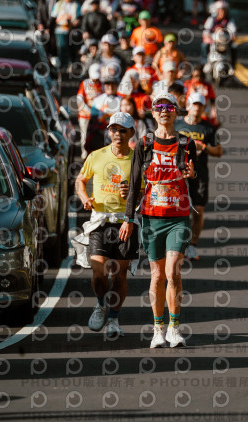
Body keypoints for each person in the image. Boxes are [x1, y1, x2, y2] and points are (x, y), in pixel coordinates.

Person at [120, 92, 198, 348]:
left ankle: (174, 328)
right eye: (159, 107)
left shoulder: (186, 143)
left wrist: (193, 175)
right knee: (157, 276)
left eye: (169, 107)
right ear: (153, 114)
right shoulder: (144, 144)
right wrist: (128, 218)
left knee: (172, 271)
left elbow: (195, 183)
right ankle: (157, 329)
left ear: (176, 112)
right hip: (152, 218)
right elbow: (134, 183)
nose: (164, 110)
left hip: (178, 217)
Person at [75, 112, 140, 338]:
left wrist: (133, 192)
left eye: (123, 130)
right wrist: (85, 198)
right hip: (100, 220)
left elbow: (145, 192)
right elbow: (80, 180)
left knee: (119, 276)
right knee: (98, 272)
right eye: (114, 129)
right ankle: (101, 304)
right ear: (109, 132)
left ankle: (113, 318)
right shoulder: (96, 155)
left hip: (125, 220)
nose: (117, 134)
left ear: (131, 133)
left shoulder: (137, 159)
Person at [175, 92, 221, 261]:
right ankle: (177, 244)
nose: (197, 108)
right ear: (188, 106)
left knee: (198, 209)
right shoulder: (177, 124)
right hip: (178, 172)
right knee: (177, 209)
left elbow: (218, 151)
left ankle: (192, 245)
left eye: (200, 106)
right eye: (194, 104)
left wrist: (204, 147)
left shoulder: (208, 128)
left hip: (199, 173)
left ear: (204, 108)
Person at [77, 63, 104, 159]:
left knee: (97, 135)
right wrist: (86, 109)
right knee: (84, 135)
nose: (95, 79)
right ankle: (84, 155)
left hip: (98, 116)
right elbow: (79, 98)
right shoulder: (85, 83)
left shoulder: (102, 84)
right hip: (85, 115)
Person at [51, 0, 82, 70]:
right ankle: (63, 67)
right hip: (61, 30)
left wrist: (77, 22)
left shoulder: (76, 5)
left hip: (73, 30)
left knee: (72, 48)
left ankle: (73, 66)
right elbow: (53, 17)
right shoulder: (59, 4)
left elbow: (80, 17)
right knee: (63, 47)